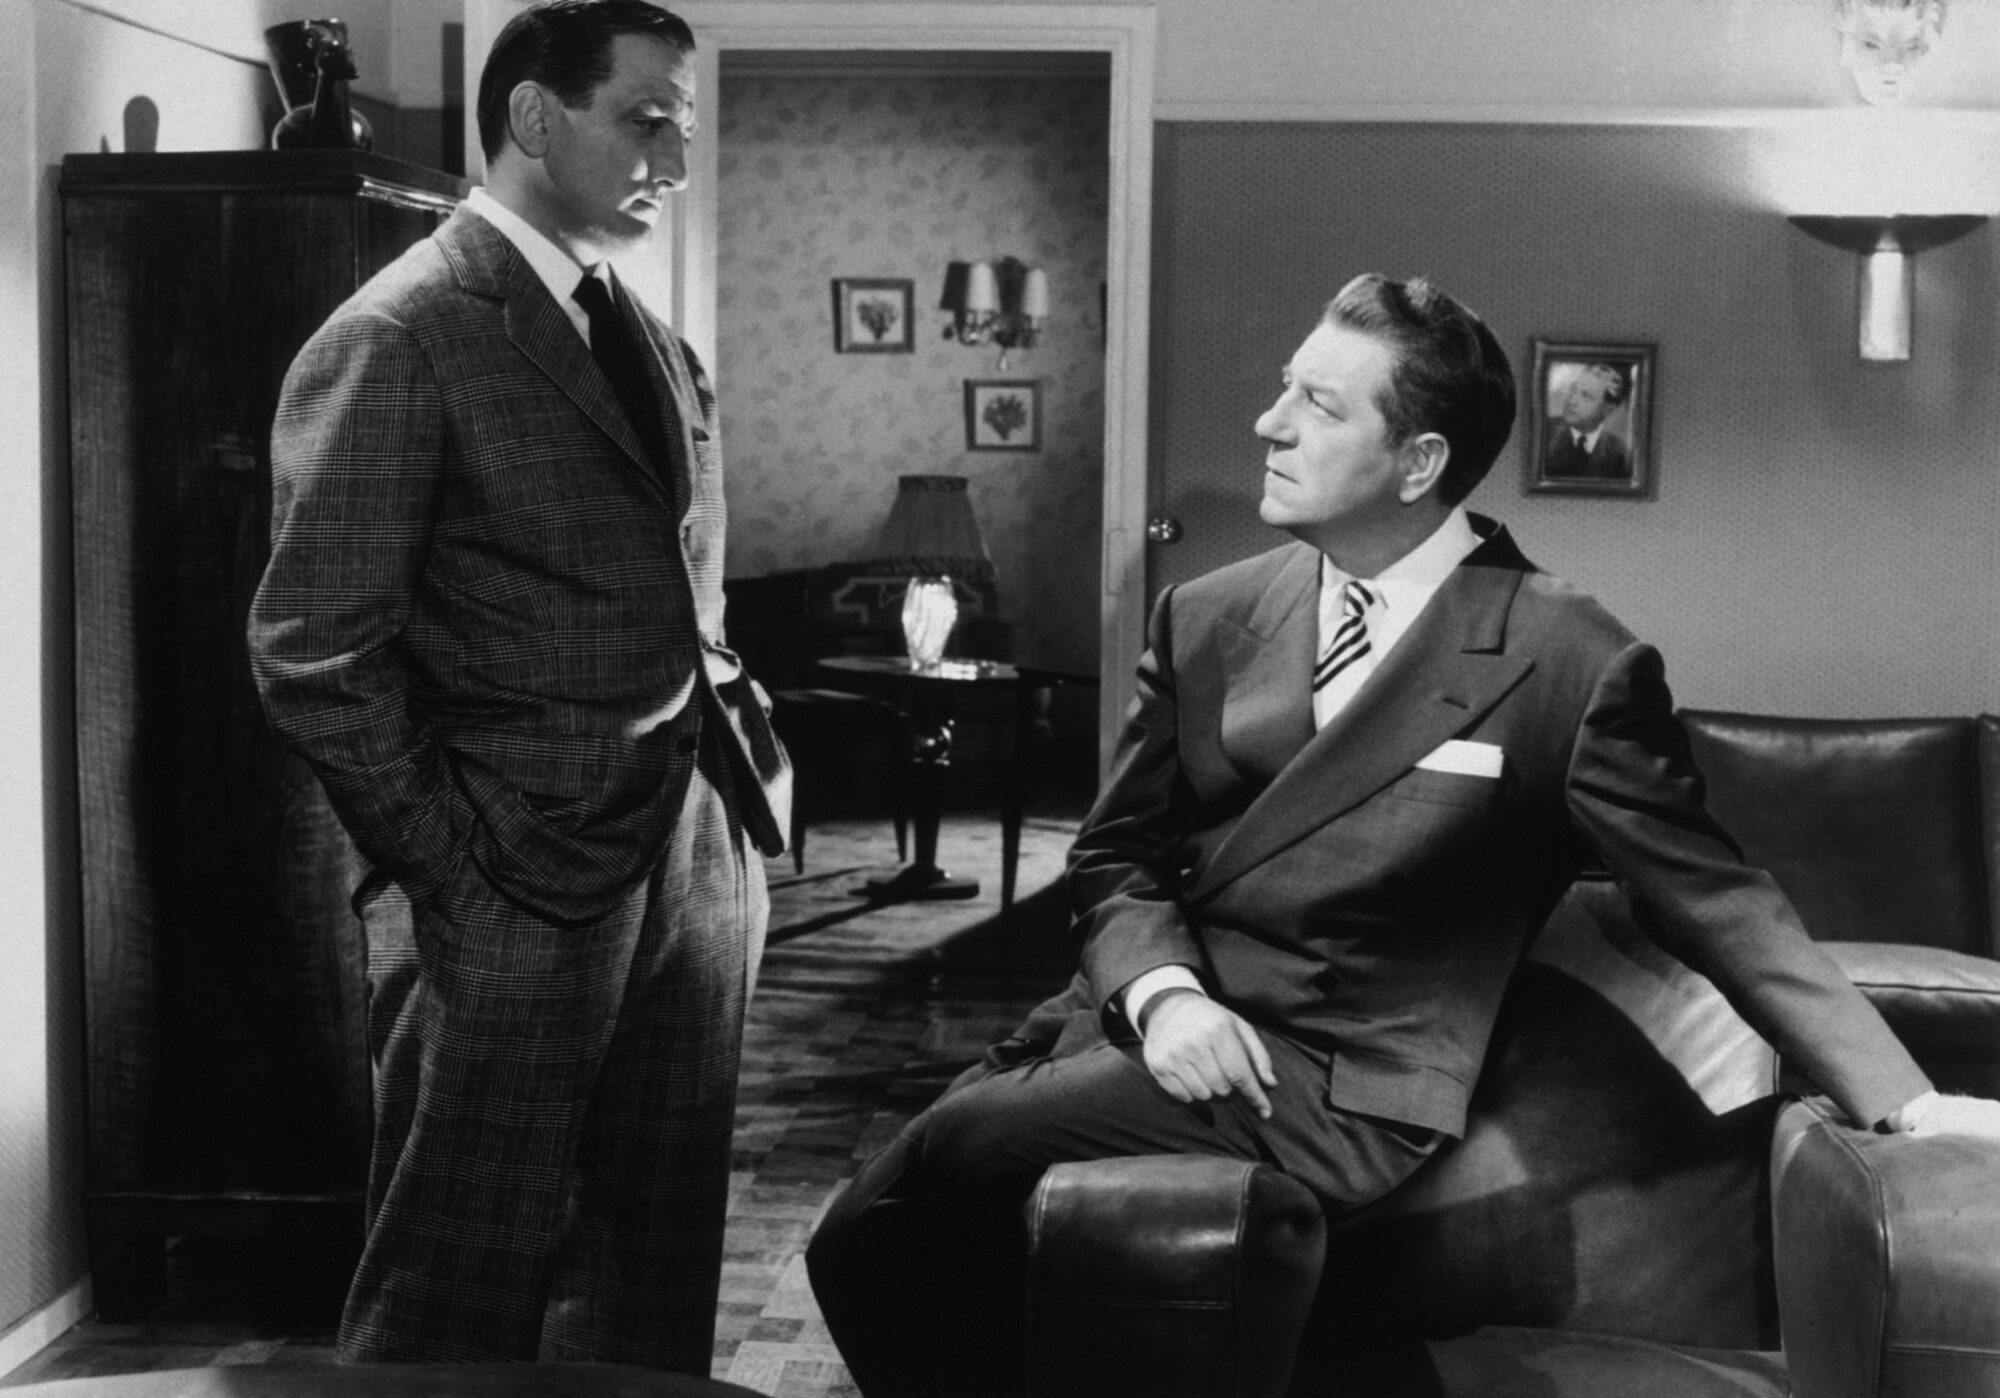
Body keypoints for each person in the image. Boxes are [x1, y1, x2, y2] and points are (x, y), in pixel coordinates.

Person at [804, 273, 2000, 1397]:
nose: (1268, 423)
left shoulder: (1565, 656)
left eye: (1317, 405)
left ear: (1418, 460)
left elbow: (1715, 901)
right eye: (1283, 387)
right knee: (859, 1240)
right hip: (1147, 1021)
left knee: (943, 1163)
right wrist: (1165, 998)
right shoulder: (1208, 612)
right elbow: (1114, 855)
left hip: (1340, 1082)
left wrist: (1907, 1102)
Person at [247, 0, 787, 1372]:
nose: (676, 159)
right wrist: (452, 865)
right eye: (646, 120)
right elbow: (313, 649)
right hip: (510, 877)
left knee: (649, 1267)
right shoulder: (403, 331)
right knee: (453, 1281)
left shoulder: (647, 336)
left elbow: (681, 595)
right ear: (536, 117)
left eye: (685, 126)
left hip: (692, 853)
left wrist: (739, 794)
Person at [1542, 360, 1631, 480]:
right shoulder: (1543, 431)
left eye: (1585, 396)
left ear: (1608, 408)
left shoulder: (1620, 454)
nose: (1572, 401)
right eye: (1574, 390)